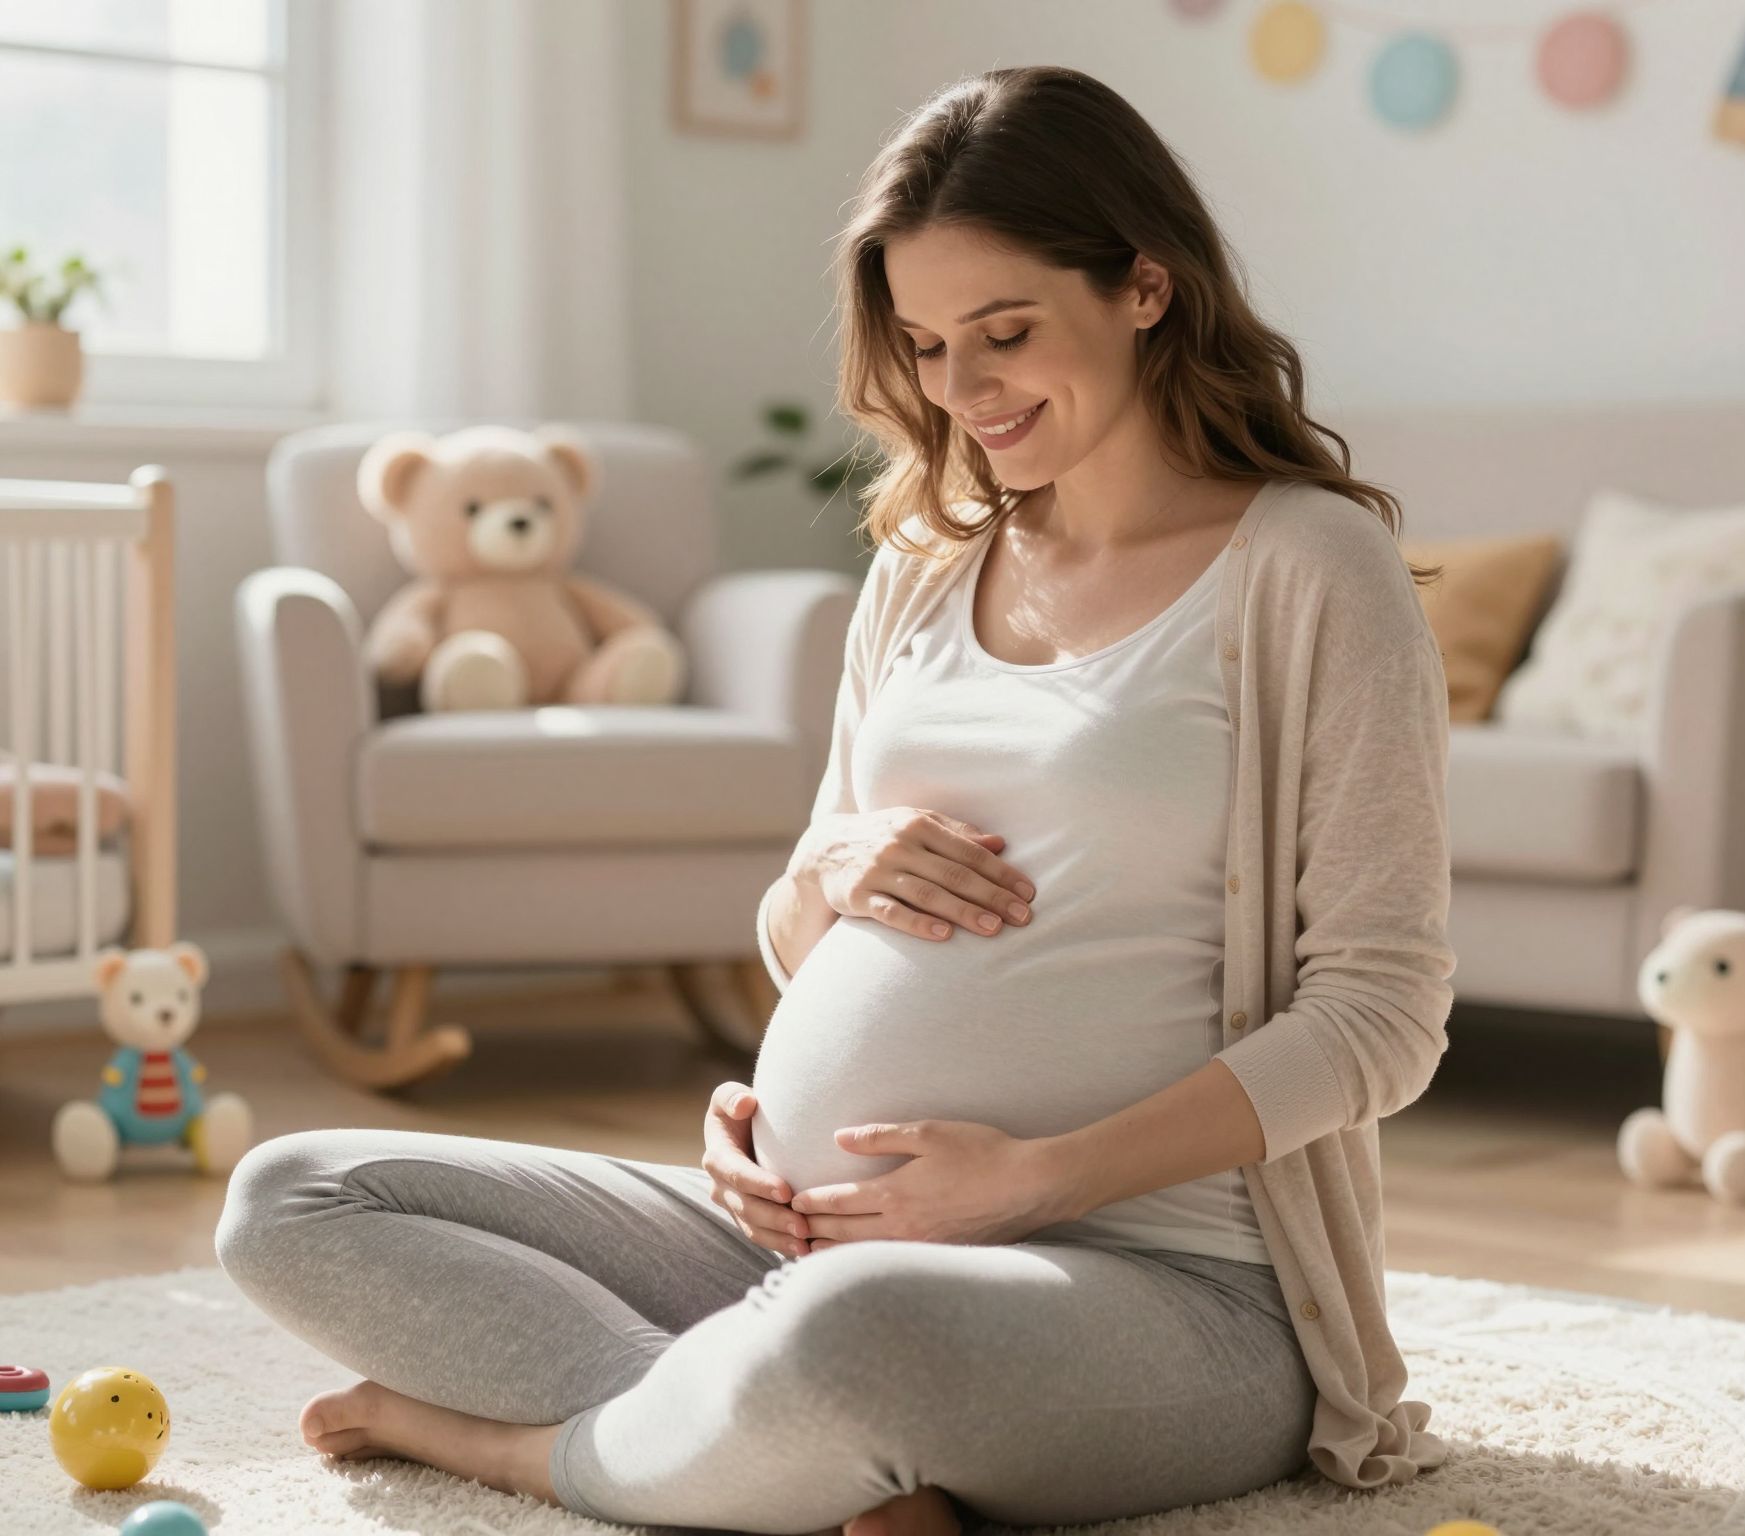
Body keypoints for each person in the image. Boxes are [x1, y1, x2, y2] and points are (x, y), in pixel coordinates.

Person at [215, 63, 1457, 1535]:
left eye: (1006, 333)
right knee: (294, 1197)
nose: (965, 393)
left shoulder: (1310, 570)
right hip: (788, 1238)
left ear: (1145, 288)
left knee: (847, 1344)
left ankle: (519, 1450)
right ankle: (775, 1446)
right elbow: (801, 933)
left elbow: (1384, 1018)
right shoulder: (928, 564)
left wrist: (1026, 1182)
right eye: (928, 346)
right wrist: (813, 934)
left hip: (1166, 1286)